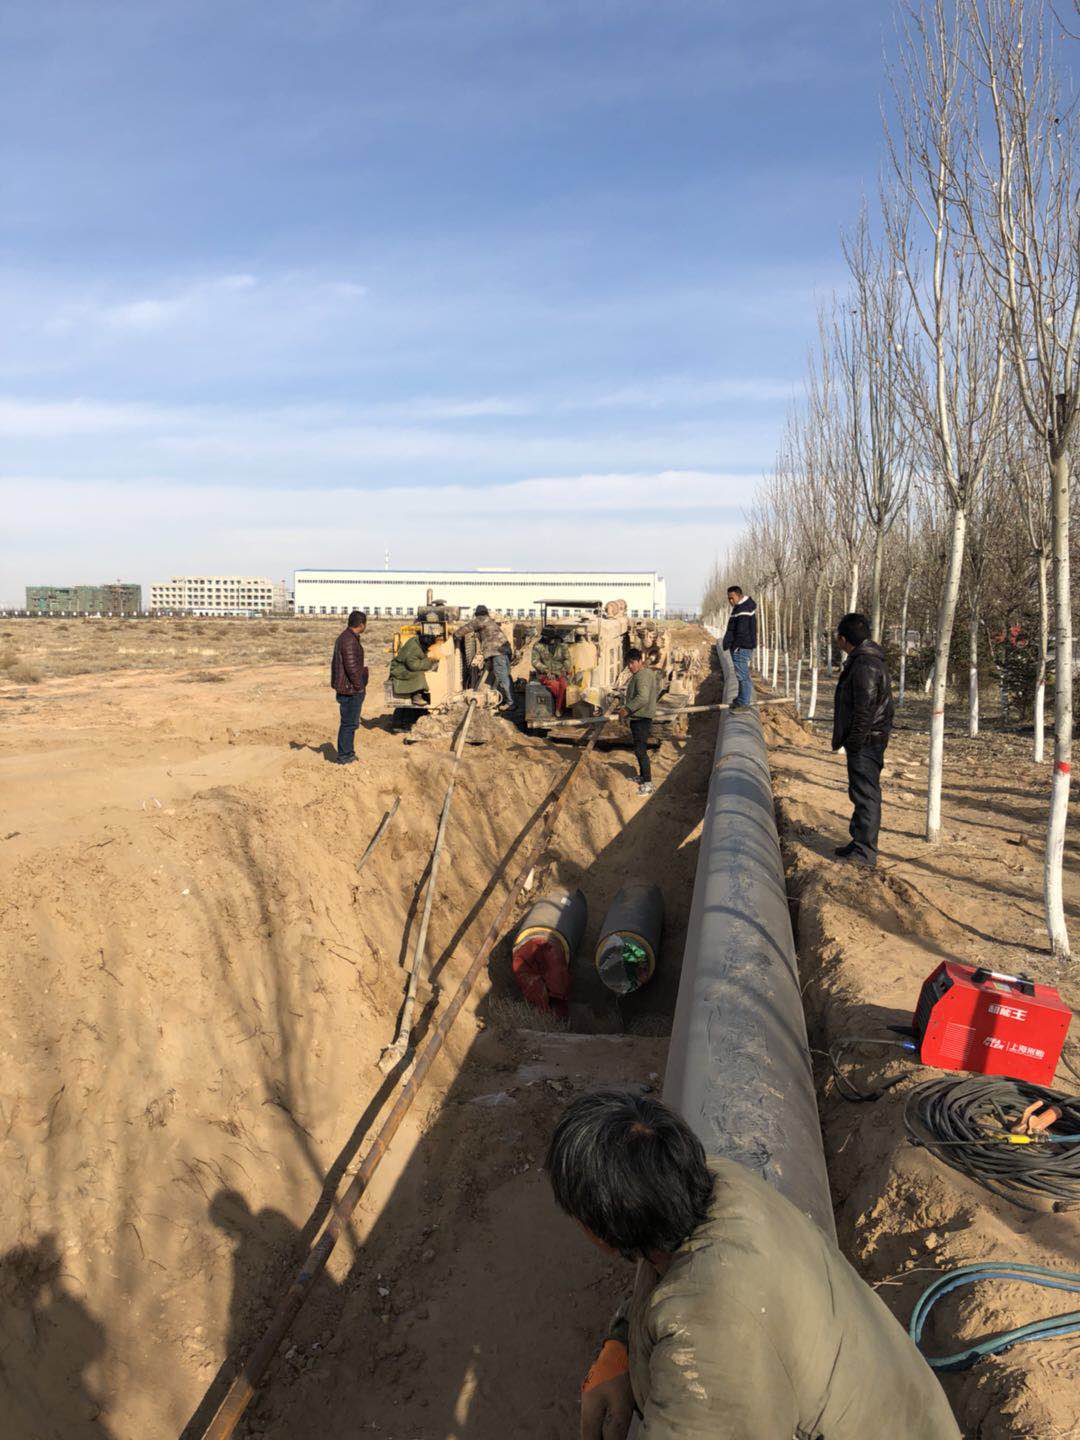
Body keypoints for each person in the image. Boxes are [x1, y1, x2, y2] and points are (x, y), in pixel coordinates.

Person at [545, 1090, 962, 1440]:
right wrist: (621, 1344)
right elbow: (661, 1272)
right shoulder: (713, 1184)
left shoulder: (711, 1335)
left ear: (601, 1229)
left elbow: (707, 1337)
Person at [832, 611, 894, 869]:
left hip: (866, 741)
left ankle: (865, 852)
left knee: (866, 795)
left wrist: (855, 741)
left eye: (838, 636)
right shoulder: (865, 660)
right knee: (859, 792)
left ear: (844, 639)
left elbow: (864, 710)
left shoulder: (865, 665)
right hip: (866, 739)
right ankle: (858, 841)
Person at [455, 605, 516, 711]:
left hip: (497, 652)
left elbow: (468, 627)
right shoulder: (489, 621)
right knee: (504, 676)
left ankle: (511, 703)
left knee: (502, 677)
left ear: (478, 614)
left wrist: (456, 634)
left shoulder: (481, 619)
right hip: (502, 650)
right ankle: (500, 698)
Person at [619, 648, 661, 797]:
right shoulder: (642, 674)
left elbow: (643, 697)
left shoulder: (642, 675)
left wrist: (627, 709)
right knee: (639, 749)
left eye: (632, 663)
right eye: (628, 663)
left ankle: (648, 783)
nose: (629, 666)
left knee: (641, 751)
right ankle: (643, 777)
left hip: (641, 718)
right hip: (639, 717)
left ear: (639, 661)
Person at [330, 610, 368, 765]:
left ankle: (348, 753)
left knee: (350, 724)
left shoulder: (348, 637)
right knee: (348, 724)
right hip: (350, 690)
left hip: (349, 688)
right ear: (361, 624)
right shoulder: (349, 640)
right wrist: (359, 687)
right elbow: (351, 668)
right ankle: (345, 756)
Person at [721, 585, 757, 709]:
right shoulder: (740, 607)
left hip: (741, 647)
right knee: (741, 674)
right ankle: (741, 699)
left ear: (739, 595)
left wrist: (736, 647)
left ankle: (744, 703)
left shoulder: (743, 609)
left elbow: (742, 631)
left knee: (742, 676)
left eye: (732, 598)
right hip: (740, 646)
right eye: (728, 598)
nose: (730, 601)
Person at [389, 630, 440, 704]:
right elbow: (413, 666)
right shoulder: (414, 648)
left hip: (404, 665)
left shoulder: (417, 641)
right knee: (418, 674)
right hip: (399, 669)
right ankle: (416, 697)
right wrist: (429, 663)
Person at [532, 627, 574, 714]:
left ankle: (559, 708)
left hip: (561, 673)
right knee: (556, 687)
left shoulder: (562, 646)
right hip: (545, 675)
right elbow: (535, 661)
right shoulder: (537, 646)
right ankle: (560, 708)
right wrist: (546, 671)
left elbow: (567, 659)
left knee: (564, 685)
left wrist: (564, 669)